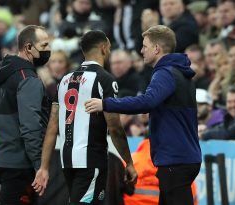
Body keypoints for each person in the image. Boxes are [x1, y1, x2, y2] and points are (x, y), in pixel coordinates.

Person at [85, 25, 202, 205]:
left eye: (145, 46)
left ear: (157, 49)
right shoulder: (180, 73)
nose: (141, 50)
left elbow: (147, 102)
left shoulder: (165, 73)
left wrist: (105, 103)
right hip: (182, 156)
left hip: (175, 158)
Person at [32, 30, 137, 205]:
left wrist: (44, 167)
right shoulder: (105, 80)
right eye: (109, 48)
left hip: (67, 160)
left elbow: (52, 126)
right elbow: (115, 127)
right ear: (104, 48)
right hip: (91, 159)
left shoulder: (64, 80)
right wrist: (129, 162)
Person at [0, 25, 51, 205]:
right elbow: (30, 126)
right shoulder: (27, 78)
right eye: (44, 45)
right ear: (29, 48)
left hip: (1, 157)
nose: (48, 50)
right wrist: (40, 165)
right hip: (22, 163)